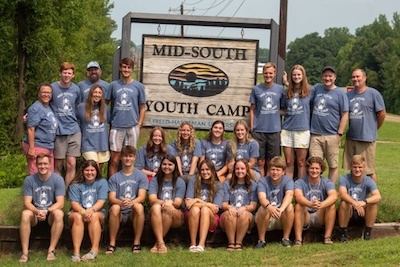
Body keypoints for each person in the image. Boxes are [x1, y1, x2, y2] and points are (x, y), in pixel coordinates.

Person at [19, 153, 65, 263]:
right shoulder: (29, 180)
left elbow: (61, 203)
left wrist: (46, 211)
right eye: (40, 164)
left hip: (50, 213)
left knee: (59, 213)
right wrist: (37, 211)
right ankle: (25, 253)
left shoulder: (57, 179)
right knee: (25, 213)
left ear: (50, 165)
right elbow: (27, 202)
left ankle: (51, 250)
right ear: (36, 165)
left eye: (45, 163)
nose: (42, 166)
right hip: (35, 213)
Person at [106, 57, 146, 178]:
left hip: (132, 126)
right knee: (115, 160)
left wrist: (139, 124)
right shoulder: (113, 85)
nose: (126, 70)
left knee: (129, 158)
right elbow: (105, 104)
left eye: (129, 67)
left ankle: (128, 184)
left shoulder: (138, 86)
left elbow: (142, 107)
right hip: (117, 126)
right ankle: (112, 187)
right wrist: (108, 120)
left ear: (132, 69)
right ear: (120, 68)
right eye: (124, 67)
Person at [343, 69, 386, 181]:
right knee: (353, 168)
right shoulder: (348, 95)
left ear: (364, 78)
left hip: (366, 138)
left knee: (368, 171)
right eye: (353, 77)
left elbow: (382, 113)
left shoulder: (373, 94)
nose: (355, 79)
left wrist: (374, 128)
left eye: (358, 77)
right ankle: (355, 192)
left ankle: (373, 193)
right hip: (351, 136)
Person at [309, 66, 348, 184]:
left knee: (333, 165)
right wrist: (286, 82)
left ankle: (329, 191)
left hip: (332, 135)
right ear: (322, 77)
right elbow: (302, 89)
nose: (327, 78)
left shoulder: (340, 94)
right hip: (315, 135)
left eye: (330, 76)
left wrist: (339, 134)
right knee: (315, 166)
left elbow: (345, 114)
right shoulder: (316, 88)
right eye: (325, 76)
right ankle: (316, 191)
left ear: (335, 77)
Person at [106, 145, 148, 254]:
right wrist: (121, 203)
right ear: (121, 158)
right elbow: (111, 198)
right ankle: (112, 243)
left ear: (134, 158)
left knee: (139, 206)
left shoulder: (141, 176)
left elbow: (142, 197)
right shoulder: (114, 177)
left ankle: (137, 243)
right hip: (119, 211)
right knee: (115, 208)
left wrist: (132, 202)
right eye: (125, 156)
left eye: (130, 156)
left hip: (133, 212)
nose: (128, 159)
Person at [249, 62, 284, 177]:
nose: (268, 75)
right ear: (263, 74)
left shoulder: (280, 89)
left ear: (275, 74)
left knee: (272, 162)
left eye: (270, 73)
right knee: (260, 162)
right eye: (266, 73)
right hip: (259, 130)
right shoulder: (256, 89)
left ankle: (270, 184)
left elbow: (284, 108)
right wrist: (252, 126)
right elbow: (252, 109)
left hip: (274, 129)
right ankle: (261, 184)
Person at [68, 160, 108, 262]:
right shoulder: (75, 184)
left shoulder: (102, 182)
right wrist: (83, 212)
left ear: (96, 171)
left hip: (97, 212)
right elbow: (74, 203)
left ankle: (94, 250)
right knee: (77, 217)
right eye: (87, 170)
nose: (89, 173)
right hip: (78, 212)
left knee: (94, 216)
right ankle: (76, 252)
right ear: (82, 171)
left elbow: (101, 201)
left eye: (92, 170)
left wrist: (91, 210)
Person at [293, 156, 337, 246]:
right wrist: (310, 204)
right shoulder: (300, 182)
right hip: (306, 215)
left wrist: (321, 204)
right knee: (298, 206)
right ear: (308, 169)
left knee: (331, 205)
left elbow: (334, 196)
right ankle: (298, 240)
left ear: (321, 170)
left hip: (320, 214)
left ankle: (327, 237)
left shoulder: (327, 182)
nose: (314, 171)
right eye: (312, 168)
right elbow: (298, 196)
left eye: (317, 168)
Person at [51, 62, 82, 186]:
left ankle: (68, 191)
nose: (66, 75)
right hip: (59, 130)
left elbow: (77, 106)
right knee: (58, 164)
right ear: (60, 73)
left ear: (73, 75)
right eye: (64, 72)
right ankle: (58, 191)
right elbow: (44, 102)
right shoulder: (53, 87)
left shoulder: (76, 89)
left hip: (74, 130)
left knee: (71, 163)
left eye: (69, 73)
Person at [338, 155, 381, 242]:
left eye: (360, 167)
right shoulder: (344, 178)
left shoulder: (368, 180)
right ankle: (342, 233)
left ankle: (368, 232)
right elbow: (342, 194)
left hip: (362, 211)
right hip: (349, 210)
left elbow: (378, 196)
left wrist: (364, 202)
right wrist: (354, 203)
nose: (357, 170)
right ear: (351, 167)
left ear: (364, 167)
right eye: (355, 167)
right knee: (344, 203)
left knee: (373, 204)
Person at [281, 65, 314, 179]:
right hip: (287, 130)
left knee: (301, 162)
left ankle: (300, 187)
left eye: (299, 74)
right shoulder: (286, 93)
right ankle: (289, 188)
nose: (296, 77)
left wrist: (286, 82)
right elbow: (283, 110)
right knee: (289, 162)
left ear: (303, 76)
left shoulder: (310, 91)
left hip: (303, 130)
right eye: (294, 75)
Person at [148, 154, 186, 254]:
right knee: (156, 207)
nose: (167, 167)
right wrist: (165, 203)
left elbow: (177, 203)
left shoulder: (179, 181)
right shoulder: (155, 180)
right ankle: (161, 243)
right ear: (161, 166)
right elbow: (152, 200)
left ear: (175, 166)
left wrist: (170, 204)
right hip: (157, 213)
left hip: (175, 215)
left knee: (168, 210)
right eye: (164, 164)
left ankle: (157, 243)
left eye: (170, 164)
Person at [254, 156, 294, 248]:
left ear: (283, 171)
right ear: (269, 170)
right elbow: (262, 198)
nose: (275, 172)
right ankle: (261, 240)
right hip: (266, 217)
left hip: (281, 215)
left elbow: (289, 195)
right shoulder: (263, 181)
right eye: (272, 169)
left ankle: (286, 239)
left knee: (289, 206)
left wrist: (281, 209)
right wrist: (270, 207)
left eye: (278, 170)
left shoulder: (288, 180)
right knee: (264, 208)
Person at [185, 159, 223, 252]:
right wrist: (207, 204)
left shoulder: (218, 185)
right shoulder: (193, 181)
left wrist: (197, 200)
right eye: (202, 170)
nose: (205, 172)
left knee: (205, 210)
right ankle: (193, 244)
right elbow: (188, 204)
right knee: (195, 210)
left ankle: (201, 244)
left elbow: (215, 208)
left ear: (212, 171)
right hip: (193, 214)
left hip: (211, 217)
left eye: (207, 169)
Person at [220, 159, 258, 251]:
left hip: (246, 213)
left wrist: (245, 208)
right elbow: (223, 204)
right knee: (230, 213)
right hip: (230, 213)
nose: (239, 171)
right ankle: (231, 242)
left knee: (244, 214)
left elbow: (253, 205)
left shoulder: (253, 185)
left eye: (242, 168)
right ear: (234, 170)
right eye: (237, 169)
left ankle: (239, 243)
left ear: (247, 170)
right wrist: (229, 207)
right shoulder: (227, 184)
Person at [22, 83, 58, 174]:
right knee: (37, 174)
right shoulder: (35, 108)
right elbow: (31, 129)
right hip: (38, 145)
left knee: (48, 175)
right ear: (39, 94)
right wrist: (31, 148)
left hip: (48, 146)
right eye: (44, 92)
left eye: (48, 92)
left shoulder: (48, 107)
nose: (46, 95)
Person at [76, 84, 110, 172]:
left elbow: (110, 122)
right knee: (94, 167)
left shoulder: (105, 108)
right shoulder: (81, 107)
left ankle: (96, 185)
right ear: (91, 93)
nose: (97, 95)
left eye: (99, 93)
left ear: (102, 95)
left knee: (98, 171)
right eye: (95, 92)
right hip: (88, 144)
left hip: (102, 144)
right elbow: (73, 121)